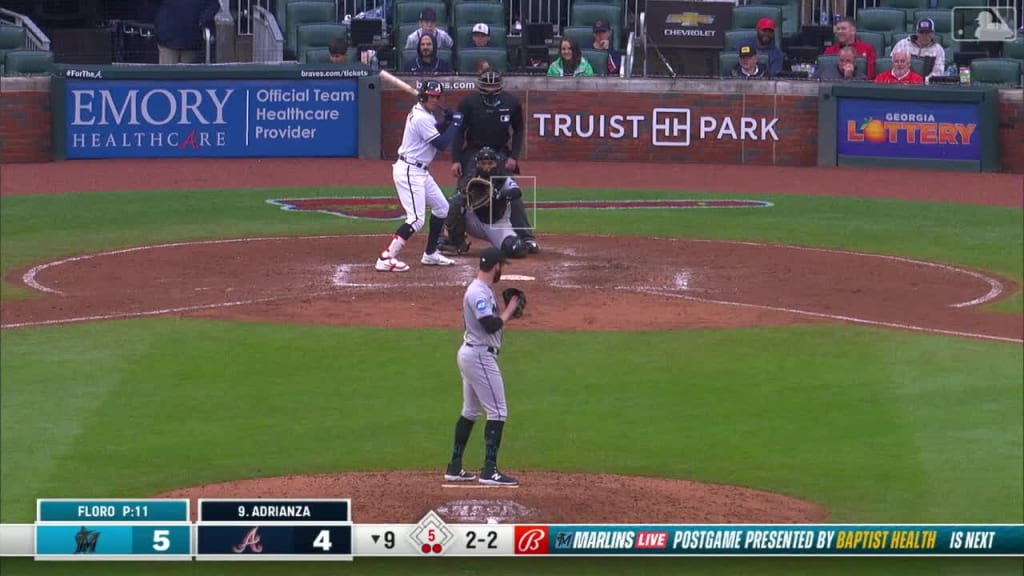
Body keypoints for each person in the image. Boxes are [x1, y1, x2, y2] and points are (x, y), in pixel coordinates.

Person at [443, 246, 523, 486]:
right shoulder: (477, 292)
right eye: (501, 266)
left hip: (472, 353)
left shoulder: (483, 289)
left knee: (470, 411)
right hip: (479, 356)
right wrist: (509, 310)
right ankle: (490, 470)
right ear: (496, 266)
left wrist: (506, 312)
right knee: (498, 411)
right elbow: (489, 325)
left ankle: (454, 467)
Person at [442, 70, 538, 256]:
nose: (491, 89)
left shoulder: (511, 103)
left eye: (494, 86)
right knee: (460, 195)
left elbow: (518, 130)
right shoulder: (468, 103)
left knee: (513, 194)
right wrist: (456, 160)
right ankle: (450, 236)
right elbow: (459, 132)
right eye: (487, 86)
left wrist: (513, 156)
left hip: (499, 151)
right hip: (473, 151)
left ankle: (526, 236)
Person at [375, 81, 463, 272]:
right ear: (423, 96)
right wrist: (455, 124)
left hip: (420, 171)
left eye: (437, 97)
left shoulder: (425, 114)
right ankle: (386, 257)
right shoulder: (421, 117)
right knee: (416, 219)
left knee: (442, 208)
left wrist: (446, 123)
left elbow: (434, 133)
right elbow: (440, 144)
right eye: (431, 96)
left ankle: (430, 254)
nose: (435, 100)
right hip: (409, 170)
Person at [443, 147, 533, 260]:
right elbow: (456, 199)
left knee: (516, 249)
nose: (487, 167)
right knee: (453, 203)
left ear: (496, 163)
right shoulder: (470, 178)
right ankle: (454, 241)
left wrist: (499, 195)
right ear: (477, 164)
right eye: (483, 163)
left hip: (497, 226)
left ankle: (524, 240)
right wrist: (466, 196)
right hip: (474, 221)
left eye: (490, 163)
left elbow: (516, 192)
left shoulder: (502, 177)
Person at [150, 0, 220, 64]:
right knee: (188, 73)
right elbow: (214, 6)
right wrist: (202, 20)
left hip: (170, 34)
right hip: (191, 35)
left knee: (168, 73)